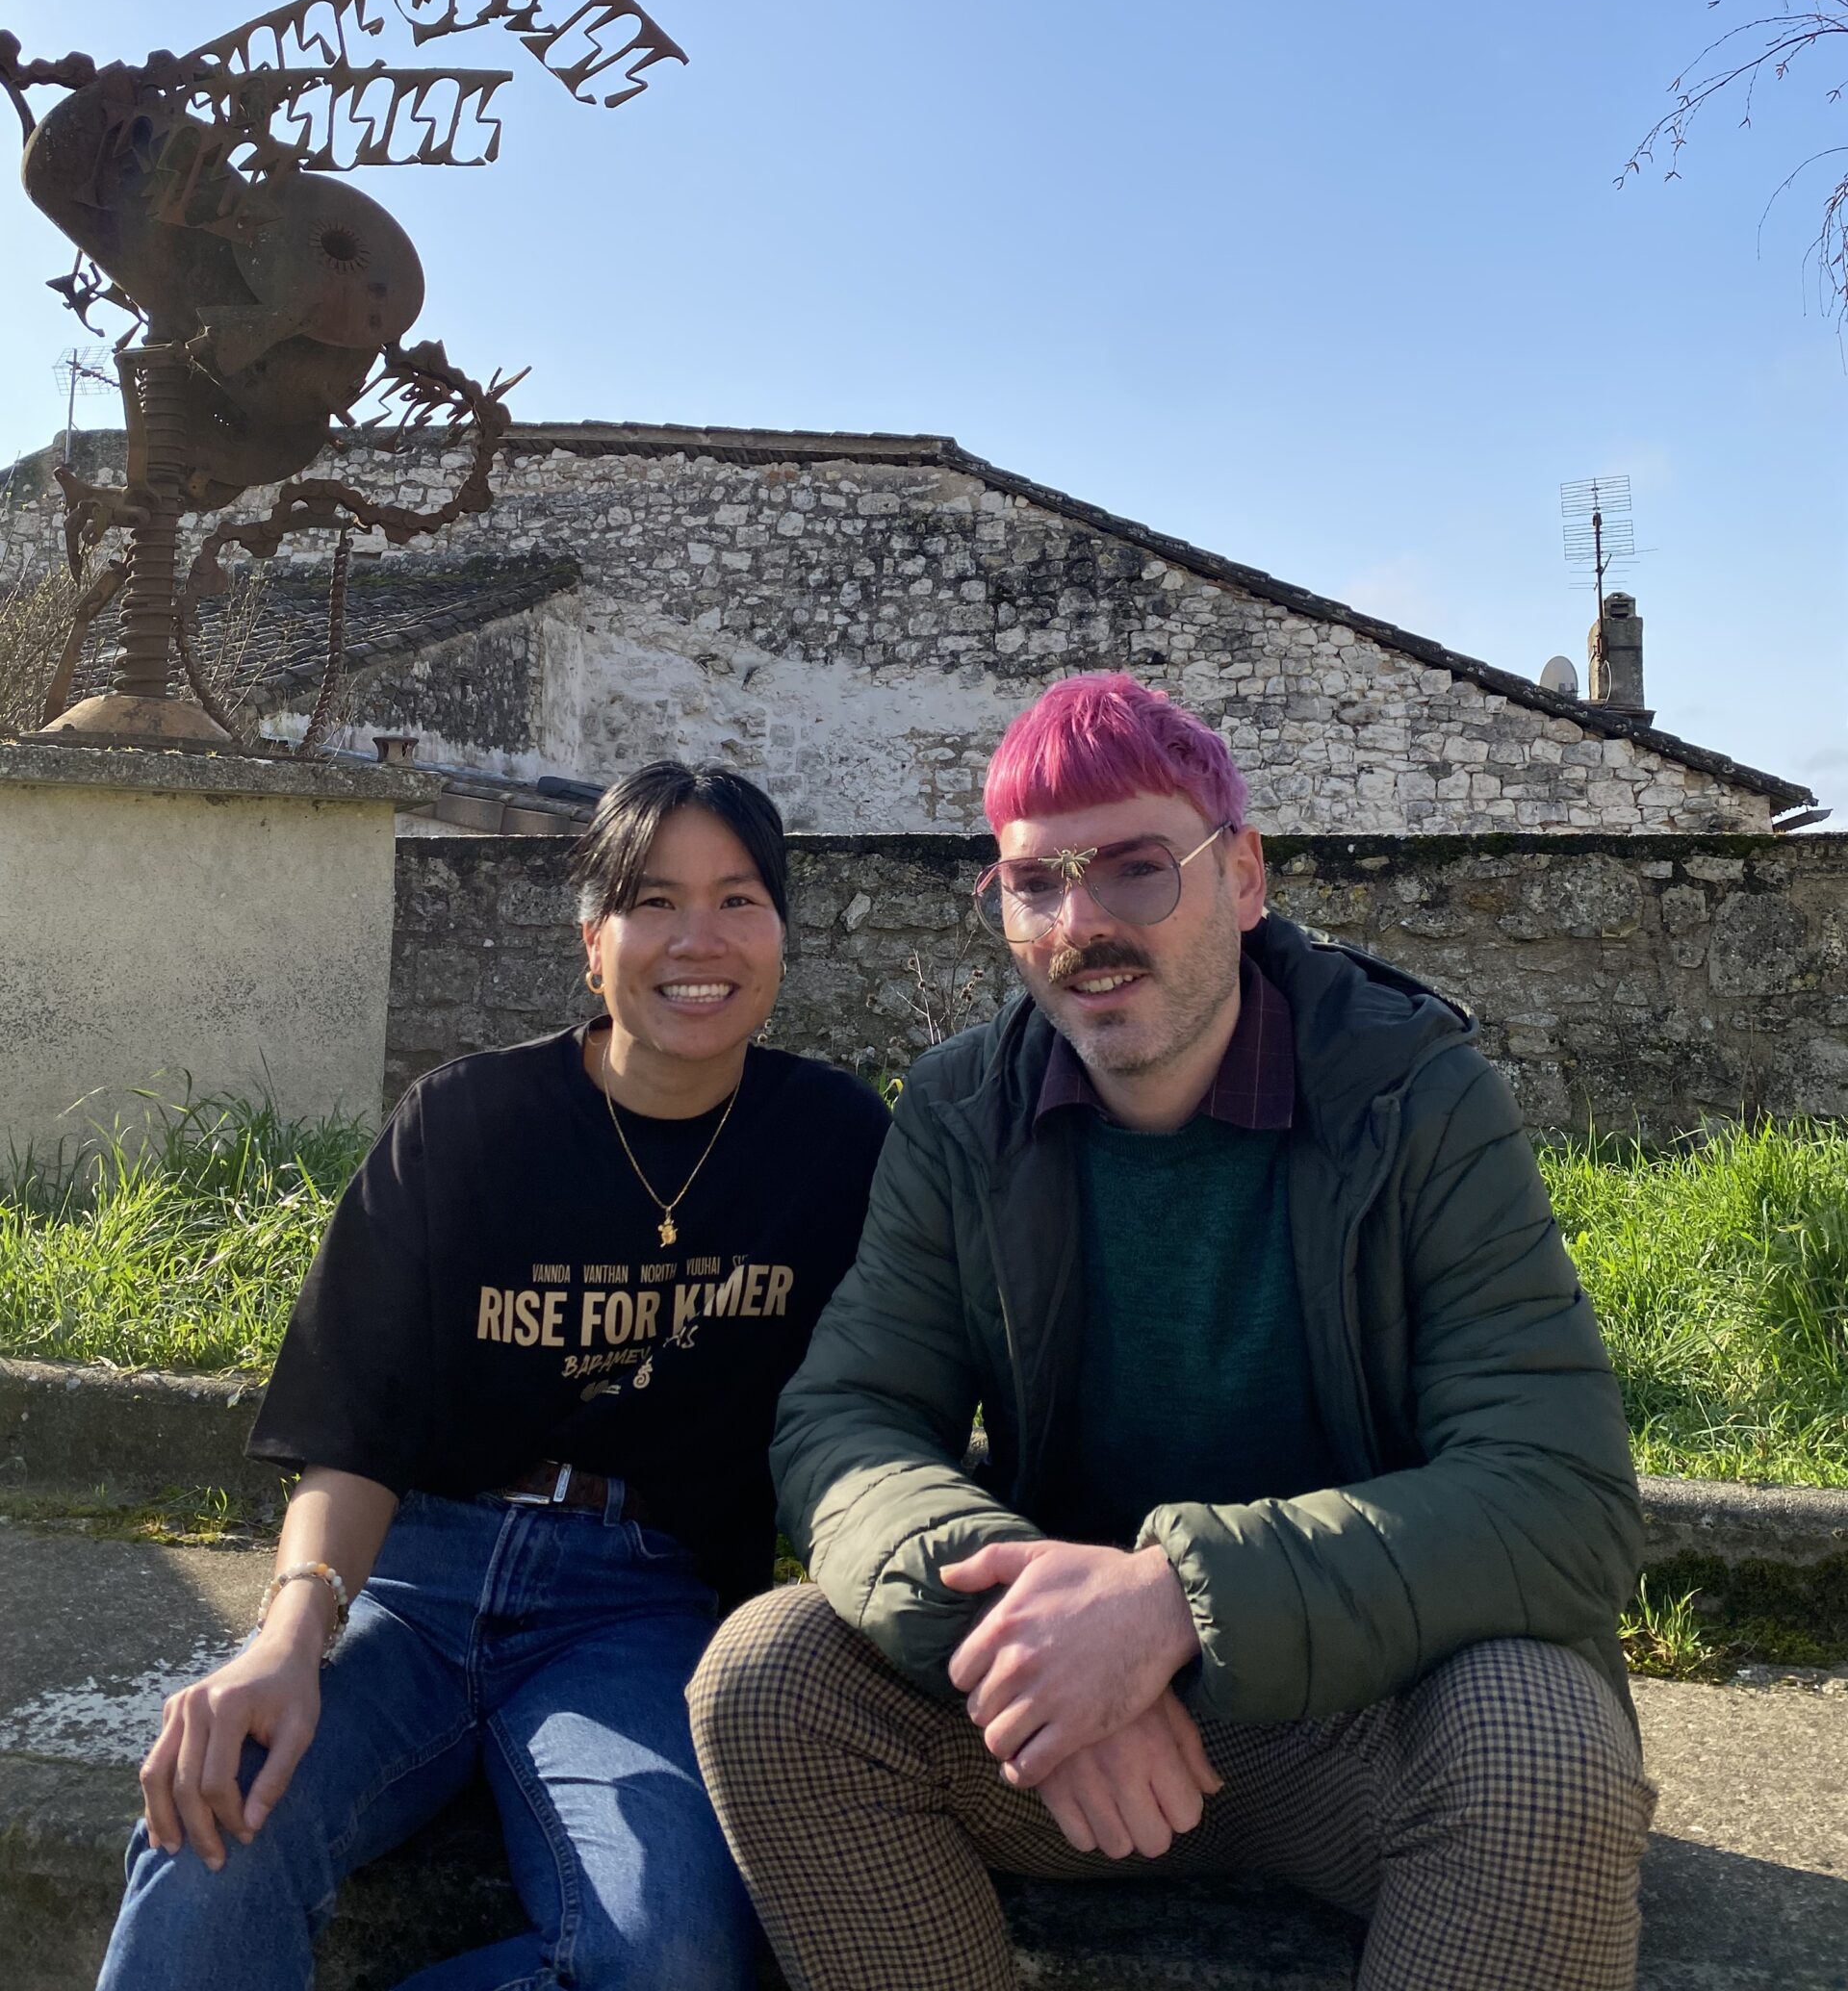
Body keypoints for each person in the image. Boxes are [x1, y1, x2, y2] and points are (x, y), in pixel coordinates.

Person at [689, 674, 1657, 1991]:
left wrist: (1176, 1607)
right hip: (1064, 1738)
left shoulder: (1414, 1097)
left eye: (1139, 869)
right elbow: (847, 1420)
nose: (1082, 923)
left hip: (1370, 1720)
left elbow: (1560, 1497)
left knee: (1546, 1741)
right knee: (765, 1680)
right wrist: (1033, 1641)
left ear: (1243, 877)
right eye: (1037, 885)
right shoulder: (963, 1111)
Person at [97, 761, 889, 1991]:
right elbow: (355, 1420)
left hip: (644, 1607)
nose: (698, 939)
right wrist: (286, 1635)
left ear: (782, 933)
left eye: (738, 899)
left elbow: (888, 1392)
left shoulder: (835, 1144)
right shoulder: (465, 1122)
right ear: (592, 944)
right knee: (213, 1831)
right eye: (653, 900)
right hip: (415, 1578)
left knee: (674, 1955)